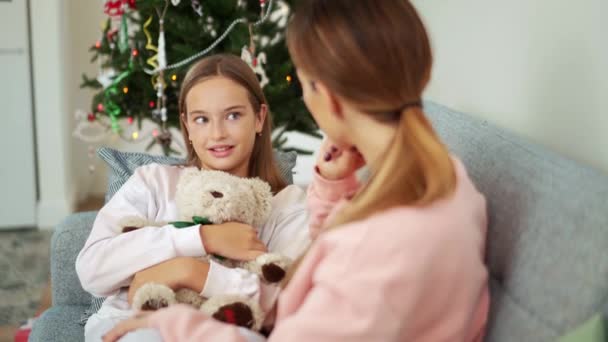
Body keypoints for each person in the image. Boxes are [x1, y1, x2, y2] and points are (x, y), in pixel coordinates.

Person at [104, 1, 489, 341]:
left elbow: (352, 268)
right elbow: (331, 267)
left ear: (330, 98)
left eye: (305, 84)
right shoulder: (449, 178)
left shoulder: (385, 241)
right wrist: (335, 188)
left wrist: (177, 324)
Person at [76, 54, 311, 341]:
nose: (217, 133)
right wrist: (202, 238)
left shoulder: (286, 204)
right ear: (187, 125)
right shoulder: (154, 182)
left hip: (227, 330)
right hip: (137, 324)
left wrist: (188, 271)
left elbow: (285, 302)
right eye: (201, 119)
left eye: (233, 115)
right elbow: (92, 270)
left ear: (259, 118)